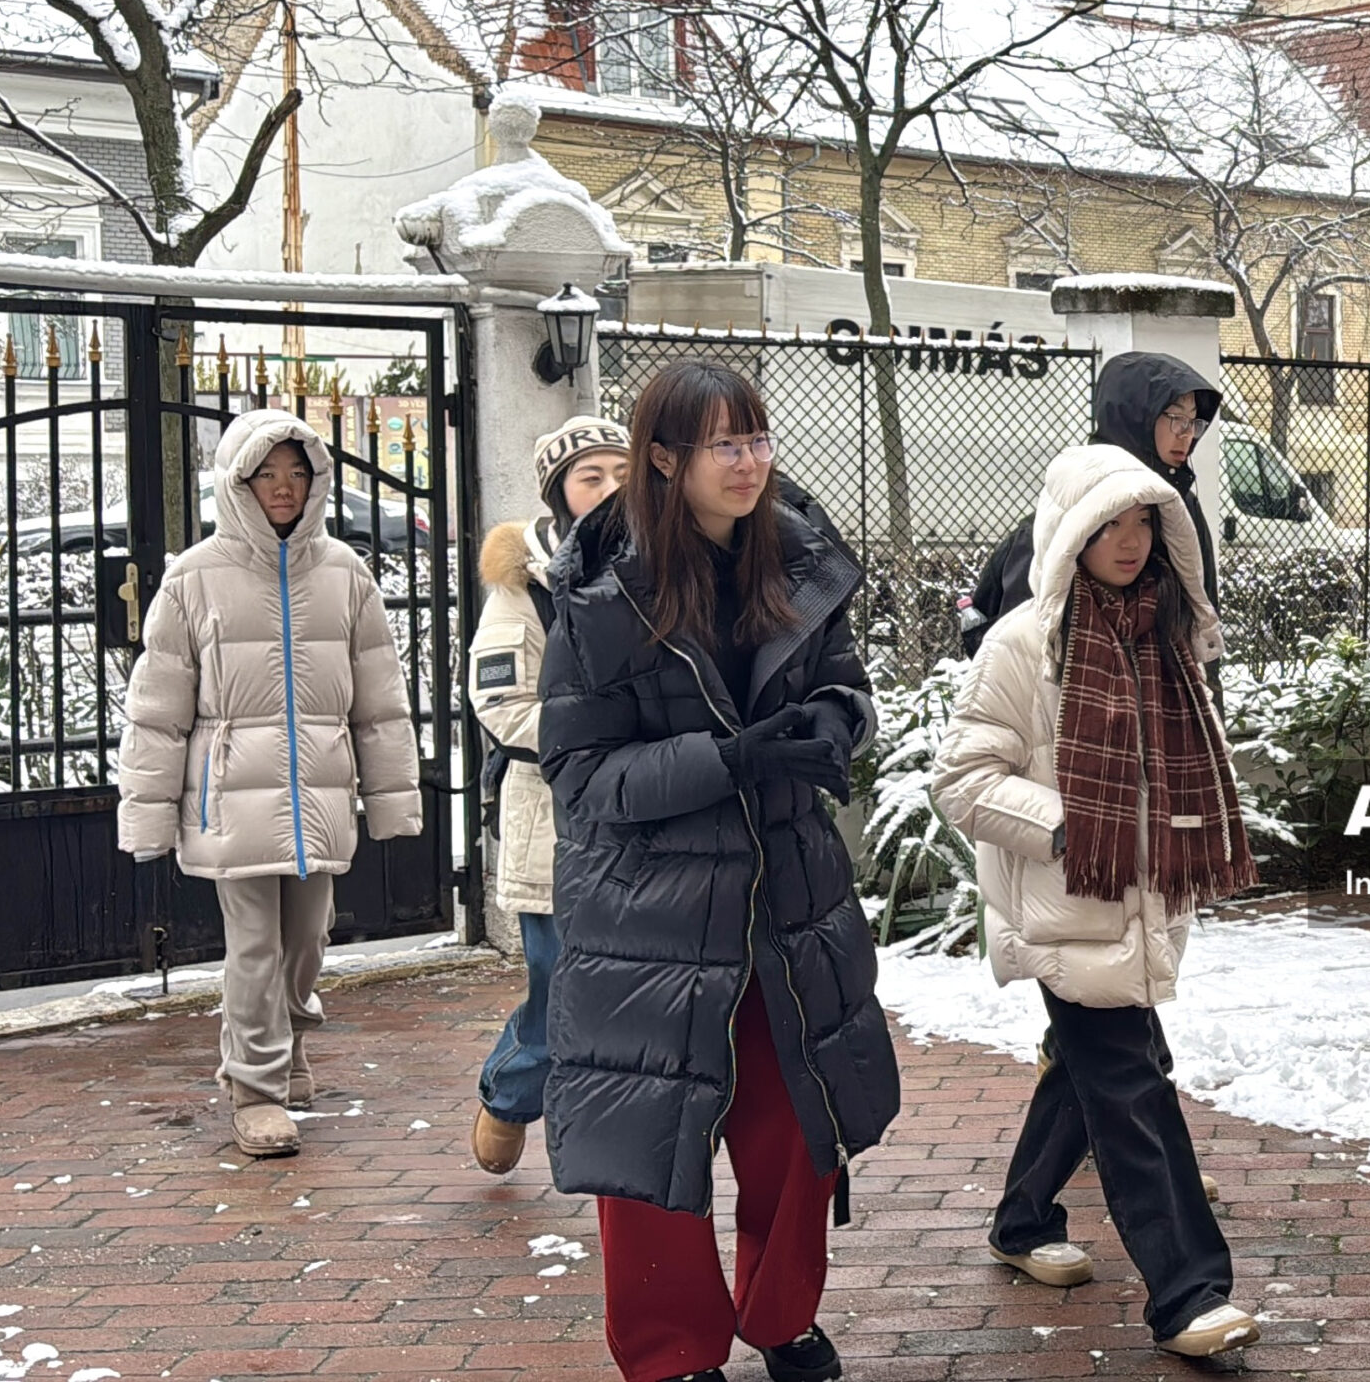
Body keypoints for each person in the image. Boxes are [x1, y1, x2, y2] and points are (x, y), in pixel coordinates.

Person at [538, 360, 896, 1382]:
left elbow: (844, 685)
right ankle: (670, 1349)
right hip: (647, 910)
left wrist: (832, 726)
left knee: (795, 1129)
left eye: (757, 438)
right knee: (651, 1137)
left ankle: (782, 1316)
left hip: (785, 894)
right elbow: (581, 775)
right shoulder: (602, 593)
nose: (748, 463)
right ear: (663, 458)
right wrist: (726, 759)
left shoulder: (799, 558)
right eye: (723, 444)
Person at [932, 443, 1261, 1360]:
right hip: (1064, 905)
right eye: (1108, 523)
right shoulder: (1024, 644)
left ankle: (1022, 1218)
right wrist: (1069, 826)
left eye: (1143, 520)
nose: (1128, 539)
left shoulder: (1169, 635)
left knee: (1104, 1066)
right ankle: (1189, 1292)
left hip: (1141, 901)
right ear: (1070, 533)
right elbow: (961, 779)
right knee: (1130, 1086)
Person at [118, 408, 423, 1159]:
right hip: (231, 795)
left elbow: (380, 700)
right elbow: (158, 711)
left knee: (309, 938)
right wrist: (148, 813)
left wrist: (391, 798)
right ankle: (255, 1089)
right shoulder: (194, 577)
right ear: (237, 482)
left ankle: (286, 1041)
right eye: (266, 474)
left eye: (296, 473)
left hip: (319, 789)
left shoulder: (345, 572)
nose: (283, 487)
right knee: (253, 945)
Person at [466, 417, 632, 1175]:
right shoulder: (522, 586)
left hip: (648, 807)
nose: (611, 489)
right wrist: (597, 736)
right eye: (591, 477)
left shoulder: (672, 564)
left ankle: (612, 1133)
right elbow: (500, 703)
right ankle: (511, 1092)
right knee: (561, 983)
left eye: (622, 473)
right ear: (559, 493)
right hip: (554, 814)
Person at [960, 352, 1221, 655]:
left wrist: (1204, 683)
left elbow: (1202, 614)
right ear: (1134, 416)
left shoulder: (1181, 505)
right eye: (1175, 418)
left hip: (1167, 680)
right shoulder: (1074, 499)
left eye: (1193, 421)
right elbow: (1019, 648)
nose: (1187, 434)